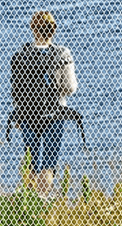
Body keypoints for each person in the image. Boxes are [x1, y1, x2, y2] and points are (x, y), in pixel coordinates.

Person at [10, 11, 78, 196]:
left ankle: (29, 202)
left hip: (28, 115)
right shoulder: (62, 54)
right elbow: (71, 87)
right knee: (48, 163)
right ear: (53, 31)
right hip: (54, 114)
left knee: (31, 162)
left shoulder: (23, 54)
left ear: (33, 29)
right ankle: (42, 200)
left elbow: (16, 90)